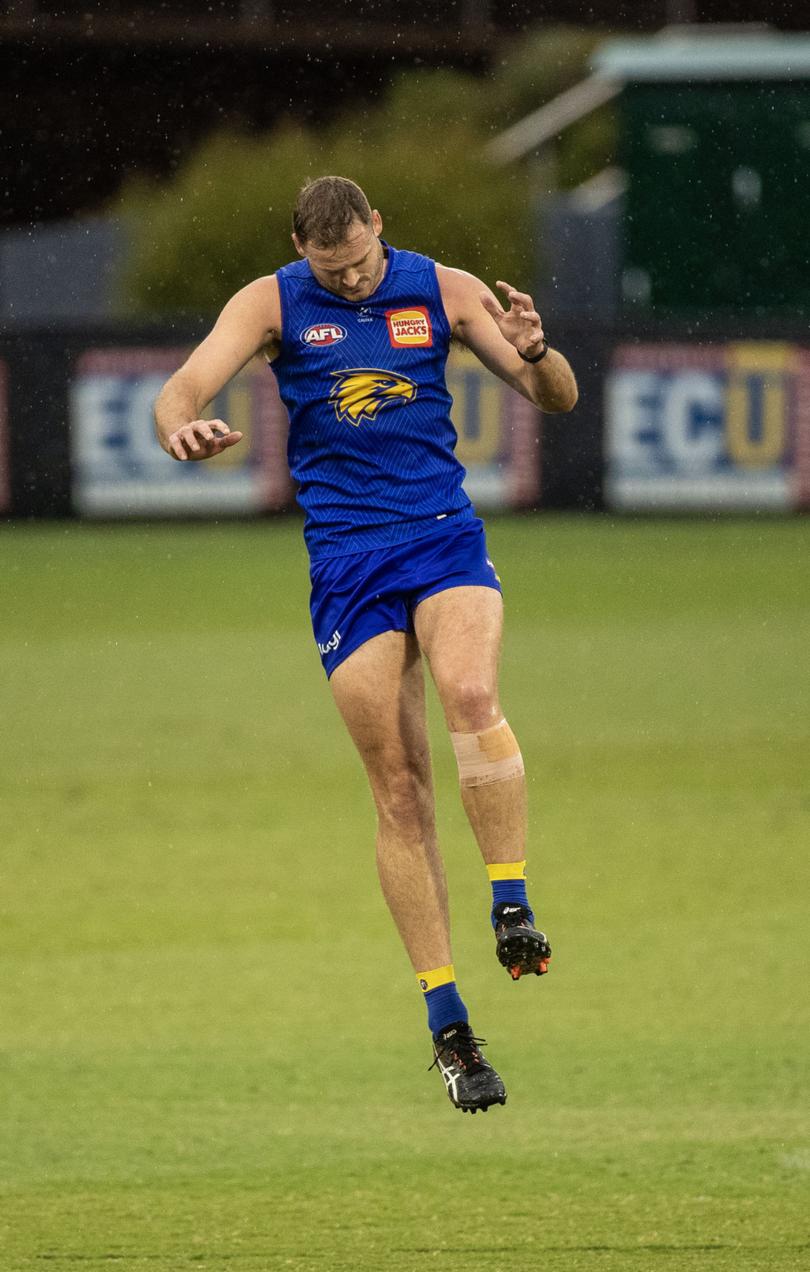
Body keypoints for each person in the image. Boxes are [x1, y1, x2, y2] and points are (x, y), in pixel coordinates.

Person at [154, 176, 578, 1114]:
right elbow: (187, 381)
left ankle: (510, 898)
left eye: (356, 264)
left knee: (471, 695)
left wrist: (540, 352)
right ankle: (451, 1027)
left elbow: (557, 397)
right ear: (301, 248)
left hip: (439, 535)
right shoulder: (271, 301)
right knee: (399, 788)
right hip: (346, 562)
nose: (346, 284)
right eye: (327, 269)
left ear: (380, 226)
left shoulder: (443, 288)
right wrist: (181, 425)